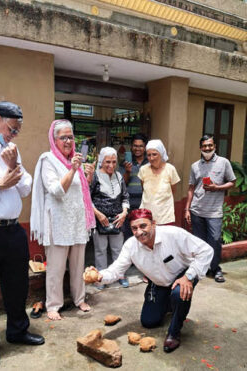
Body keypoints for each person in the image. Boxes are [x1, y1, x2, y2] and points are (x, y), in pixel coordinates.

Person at [85, 208, 213, 353]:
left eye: (143, 226)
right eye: (134, 228)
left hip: (182, 276)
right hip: (158, 282)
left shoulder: (173, 234)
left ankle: (174, 333)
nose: (139, 232)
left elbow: (206, 251)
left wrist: (188, 277)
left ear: (153, 223)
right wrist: (99, 276)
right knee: (149, 322)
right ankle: (169, 303)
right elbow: (116, 271)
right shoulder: (131, 246)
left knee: (179, 294)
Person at [0, 101, 44, 367]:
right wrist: (0, 184)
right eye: (11, 129)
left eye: (17, 132)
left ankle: (17, 330)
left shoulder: (12, 150)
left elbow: (25, 188)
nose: (13, 136)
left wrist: (13, 166)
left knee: (17, 285)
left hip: (13, 228)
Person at [31, 119, 95, 321]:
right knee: (56, 268)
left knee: (78, 265)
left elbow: (81, 192)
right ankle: (53, 305)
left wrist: (88, 177)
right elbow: (56, 191)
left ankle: (79, 299)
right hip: (58, 223)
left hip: (76, 222)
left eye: (70, 137)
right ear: (54, 139)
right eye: (63, 137)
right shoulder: (48, 160)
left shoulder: (74, 160)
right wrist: (73, 170)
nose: (68, 141)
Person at [184, 135, 234, 283]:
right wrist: (187, 209)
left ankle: (215, 269)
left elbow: (232, 182)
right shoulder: (195, 166)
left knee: (215, 240)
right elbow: (191, 188)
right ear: (200, 148)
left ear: (215, 147)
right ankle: (201, 268)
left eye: (210, 146)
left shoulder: (223, 162)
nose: (207, 149)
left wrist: (216, 187)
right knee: (199, 241)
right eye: (204, 146)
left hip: (214, 211)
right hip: (197, 210)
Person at [90, 147, 130, 289]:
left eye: (114, 162)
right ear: (101, 161)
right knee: (100, 250)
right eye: (107, 162)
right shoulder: (94, 176)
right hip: (100, 220)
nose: (111, 165)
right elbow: (87, 198)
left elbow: (125, 197)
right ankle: (100, 277)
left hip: (117, 220)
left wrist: (124, 212)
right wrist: (98, 214)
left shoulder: (119, 176)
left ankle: (119, 275)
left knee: (118, 250)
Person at [138, 139, 180, 225]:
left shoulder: (170, 169)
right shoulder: (143, 169)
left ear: (161, 154)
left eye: (154, 154)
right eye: (149, 155)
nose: (151, 158)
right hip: (146, 215)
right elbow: (144, 190)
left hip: (165, 216)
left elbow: (173, 190)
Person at [122, 133, 148, 239]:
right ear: (132, 147)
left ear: (145, 147)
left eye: (140, 146)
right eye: (135, 146)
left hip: (145, 201)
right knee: (128, 233)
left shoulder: (150, 161)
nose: (138, 149)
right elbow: (122, 183)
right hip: (129, 202)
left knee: (143, 233)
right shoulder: (125, 162)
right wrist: (127, 172)